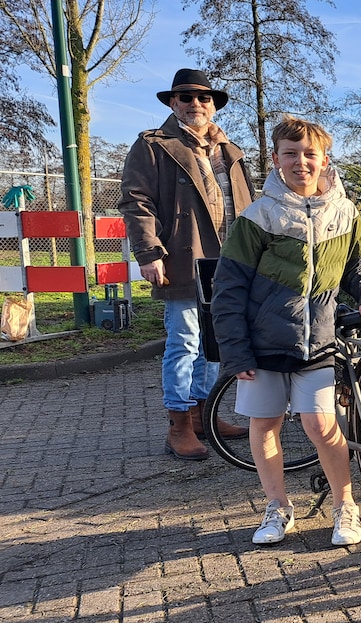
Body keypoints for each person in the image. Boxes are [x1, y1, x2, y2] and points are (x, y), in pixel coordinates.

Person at [209, 116, 361, 546]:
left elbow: (359, 267)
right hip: (262, 343)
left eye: (310, 154)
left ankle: (345, 506)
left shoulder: (345, 214)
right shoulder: (257, 217)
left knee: (321, 423)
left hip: (320, 341)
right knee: (265, 424)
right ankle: (278, 507)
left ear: (324, 160)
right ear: (275, 159)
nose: (300, 162)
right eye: (290, 154)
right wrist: (234, 352)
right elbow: (228, 290)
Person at [120, 68, 255, 461]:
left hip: (229, 262)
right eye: (186, 97)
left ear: (213, 105)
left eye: (204, 98)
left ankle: (202, 414)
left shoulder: (230, 151)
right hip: (181, 256)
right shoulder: (153, 145)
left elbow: (247, 206)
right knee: (184, 341)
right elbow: (135, 201)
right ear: (173, 103)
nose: (196, 104)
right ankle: (178, 424)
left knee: (213, 345)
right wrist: (149, 253)